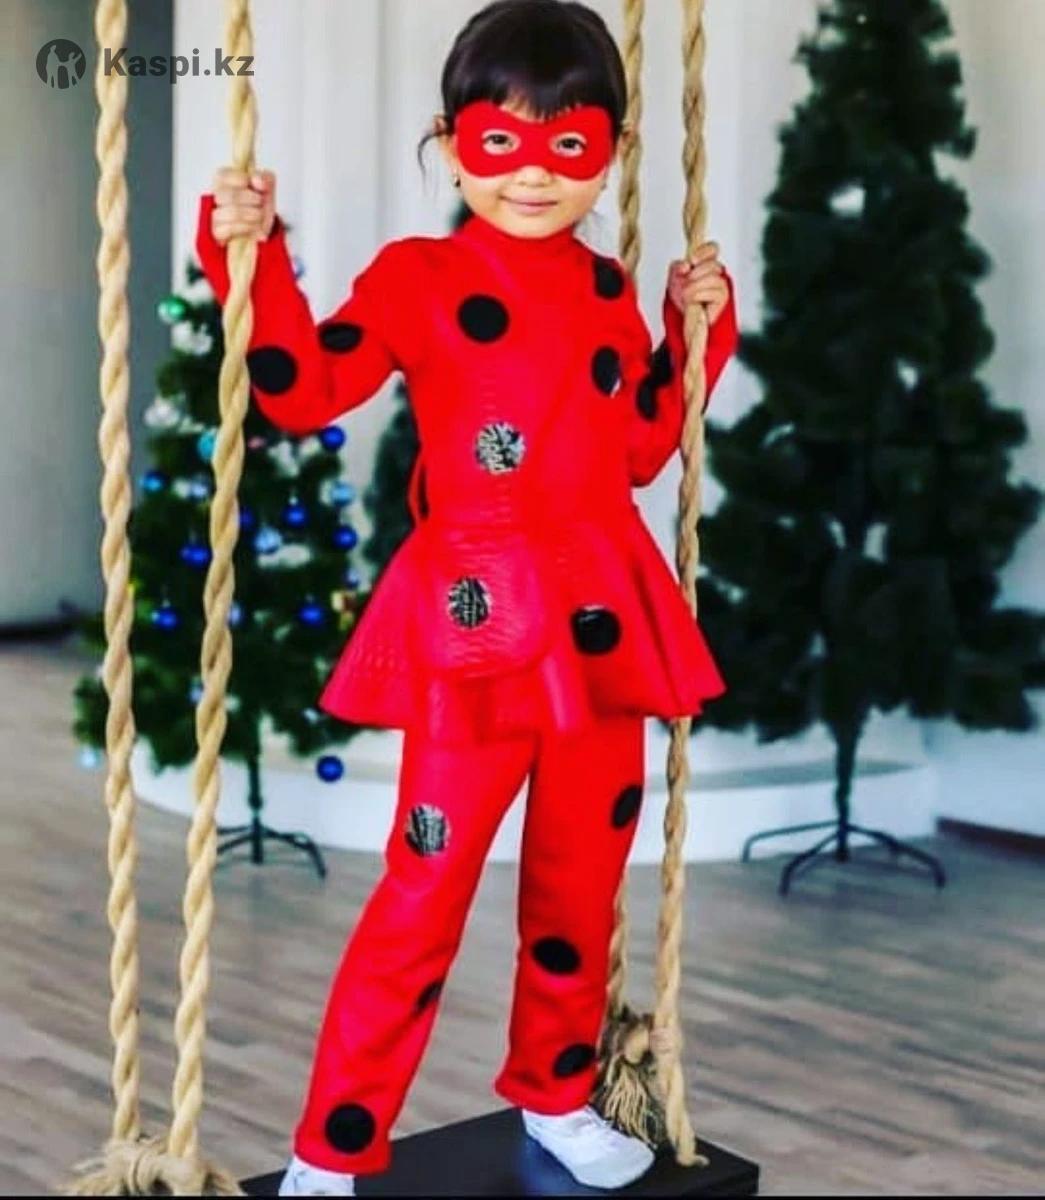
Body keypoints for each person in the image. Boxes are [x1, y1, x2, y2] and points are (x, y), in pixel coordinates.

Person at [196, 1, 738, 1193]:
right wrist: (255, 257)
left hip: (603, 625)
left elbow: (640, 448)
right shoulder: (419, 276)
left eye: (568, 145)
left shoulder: (604, 286)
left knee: (578, 888)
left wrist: (691, 332)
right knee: (425, 886)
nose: (533, 174)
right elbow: (301, 391)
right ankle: (332, 1144)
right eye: (501, 143)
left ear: (610, 152)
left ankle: (555, 1093)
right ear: (451, 146)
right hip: (477, 627)